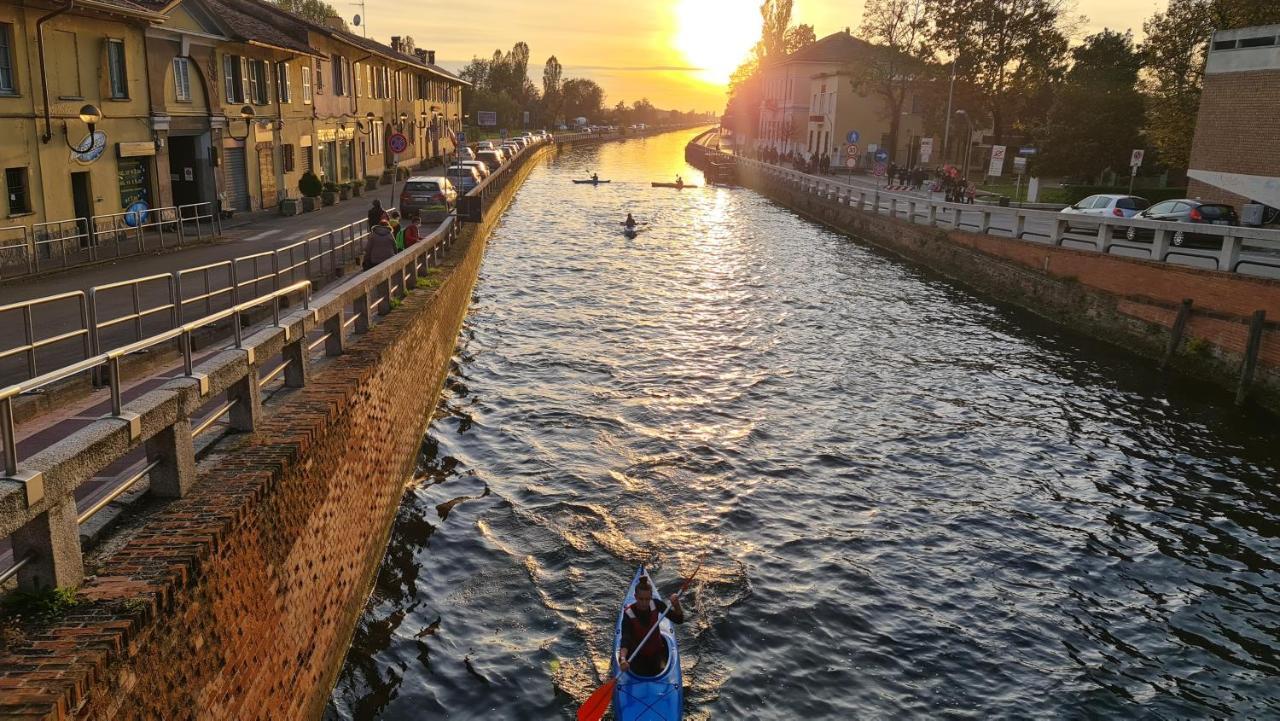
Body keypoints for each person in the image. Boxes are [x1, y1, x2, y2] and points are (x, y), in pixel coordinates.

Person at [617, 576, 685, 677]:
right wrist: (623, 659)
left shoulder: (656, 604)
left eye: (647, 599)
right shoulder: (629, 614)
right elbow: (625, 639)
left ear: (651, 597)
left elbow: (679, 620)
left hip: (657, 653)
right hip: (637, 656)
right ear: (635, 597)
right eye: (641, 599)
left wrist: (676, 605)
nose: (644, 603)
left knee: (660, 669)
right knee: (641, 672)